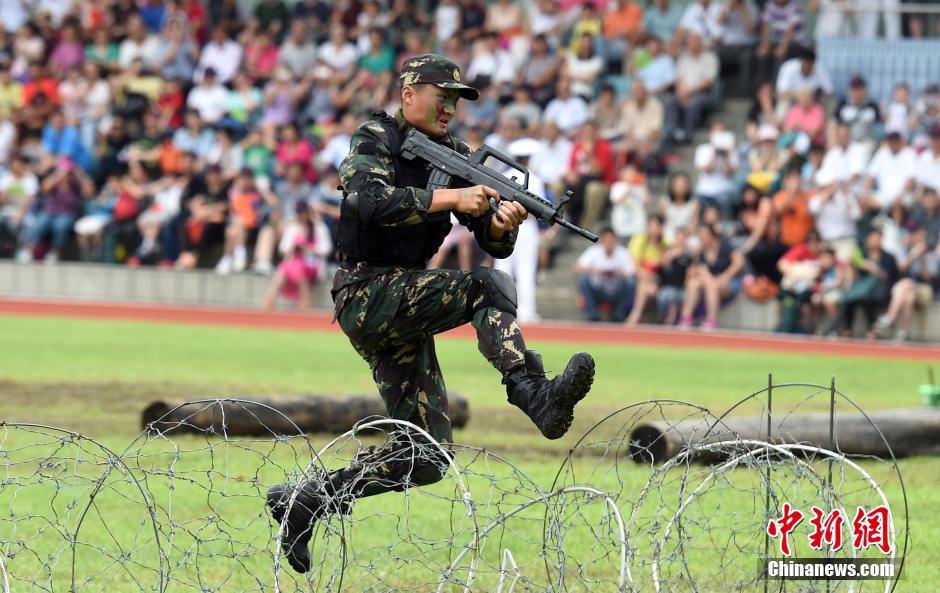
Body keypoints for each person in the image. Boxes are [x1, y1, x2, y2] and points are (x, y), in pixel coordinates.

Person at [265, 54, 596, 573]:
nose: (449, 108)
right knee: (486, 285)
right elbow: (367, 201)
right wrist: (453, 198)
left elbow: (492, 240)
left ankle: (310, 498)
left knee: (426, 456)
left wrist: (502, 224)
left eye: (456, 101)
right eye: (441, 96)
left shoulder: (459, 155)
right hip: (366, 291)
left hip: (404, 301)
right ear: (409, 92)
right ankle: (531, 391)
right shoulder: (377, 137)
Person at [575, 226, 636, 322]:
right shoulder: (594, 251)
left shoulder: (623, 252)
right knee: (583, 279)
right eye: (607, 240)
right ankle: (592, 314)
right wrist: (594, 271)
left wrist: (619, 273)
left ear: (615, 240)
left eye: (611, 240)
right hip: (598, 290)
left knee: (631, 282)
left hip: (617, 291)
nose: (609, 243)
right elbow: (577, 268)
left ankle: (619, 313)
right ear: (602, 241)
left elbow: (632, 272)